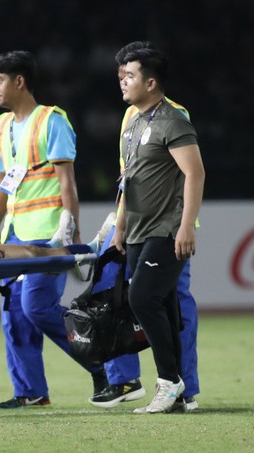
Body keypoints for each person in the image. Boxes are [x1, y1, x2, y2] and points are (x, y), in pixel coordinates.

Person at [0, 50, 108, 409]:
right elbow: (3, 180)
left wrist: (71, 234)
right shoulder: (1, 126)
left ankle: (99, 361)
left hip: (49, 234)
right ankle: (31, 391)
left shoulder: (52, 121)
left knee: (37, 308)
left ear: (19, 81)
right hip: (14, 234)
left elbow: (67, 183)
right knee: (15, 315)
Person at [90, 41, 201, 412]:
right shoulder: (133, 123)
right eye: (122, 75)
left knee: (142, 299)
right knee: (165, 308)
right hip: (137, 230)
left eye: (130, 75)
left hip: (166, 229)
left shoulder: (173, 120)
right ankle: (178, 392)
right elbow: (129, 181)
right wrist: (119, 227)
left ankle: (168, 381)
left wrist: (186, 227)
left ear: (151, 83)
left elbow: (195, 173)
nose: (123, 81)